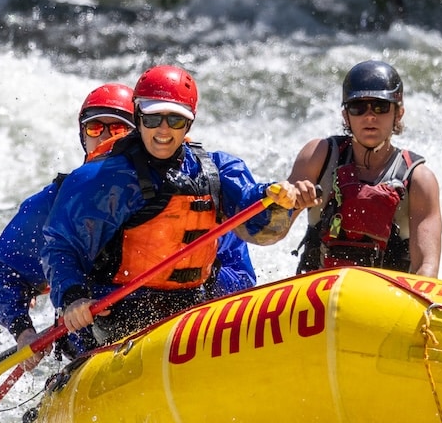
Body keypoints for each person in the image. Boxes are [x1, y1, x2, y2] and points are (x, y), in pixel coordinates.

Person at [0, 83, 258, 363]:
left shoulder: (196, 193)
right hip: (99, 339)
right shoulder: (55, 201)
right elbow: (4, 268)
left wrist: (183, 286)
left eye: (116, 129)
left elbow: (241, 276)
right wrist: (23, 331)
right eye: (94, 128)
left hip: (186, 323)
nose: (104, 136)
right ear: (82, 135)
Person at [41, 64, 308, 347]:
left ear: (189, 124)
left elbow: (256, 220)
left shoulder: (218, 171)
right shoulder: (102, 178)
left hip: (190, 309)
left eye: (175, 121)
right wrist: (73, 298)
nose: (163, 131)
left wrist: (279, 200)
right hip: (117, 314)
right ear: (139, 116)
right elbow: (61, 244)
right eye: (154, 119)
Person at [287, 60, 441, 276]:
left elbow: (427, 268)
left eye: (380, 106)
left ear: (398, 114)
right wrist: (286, 203)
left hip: (387, 301)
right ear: (346, 116)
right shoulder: (317, 156)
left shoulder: (418, 179)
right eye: (358, 107)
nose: (370, 116)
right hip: (317, 296)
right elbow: (269, 234)